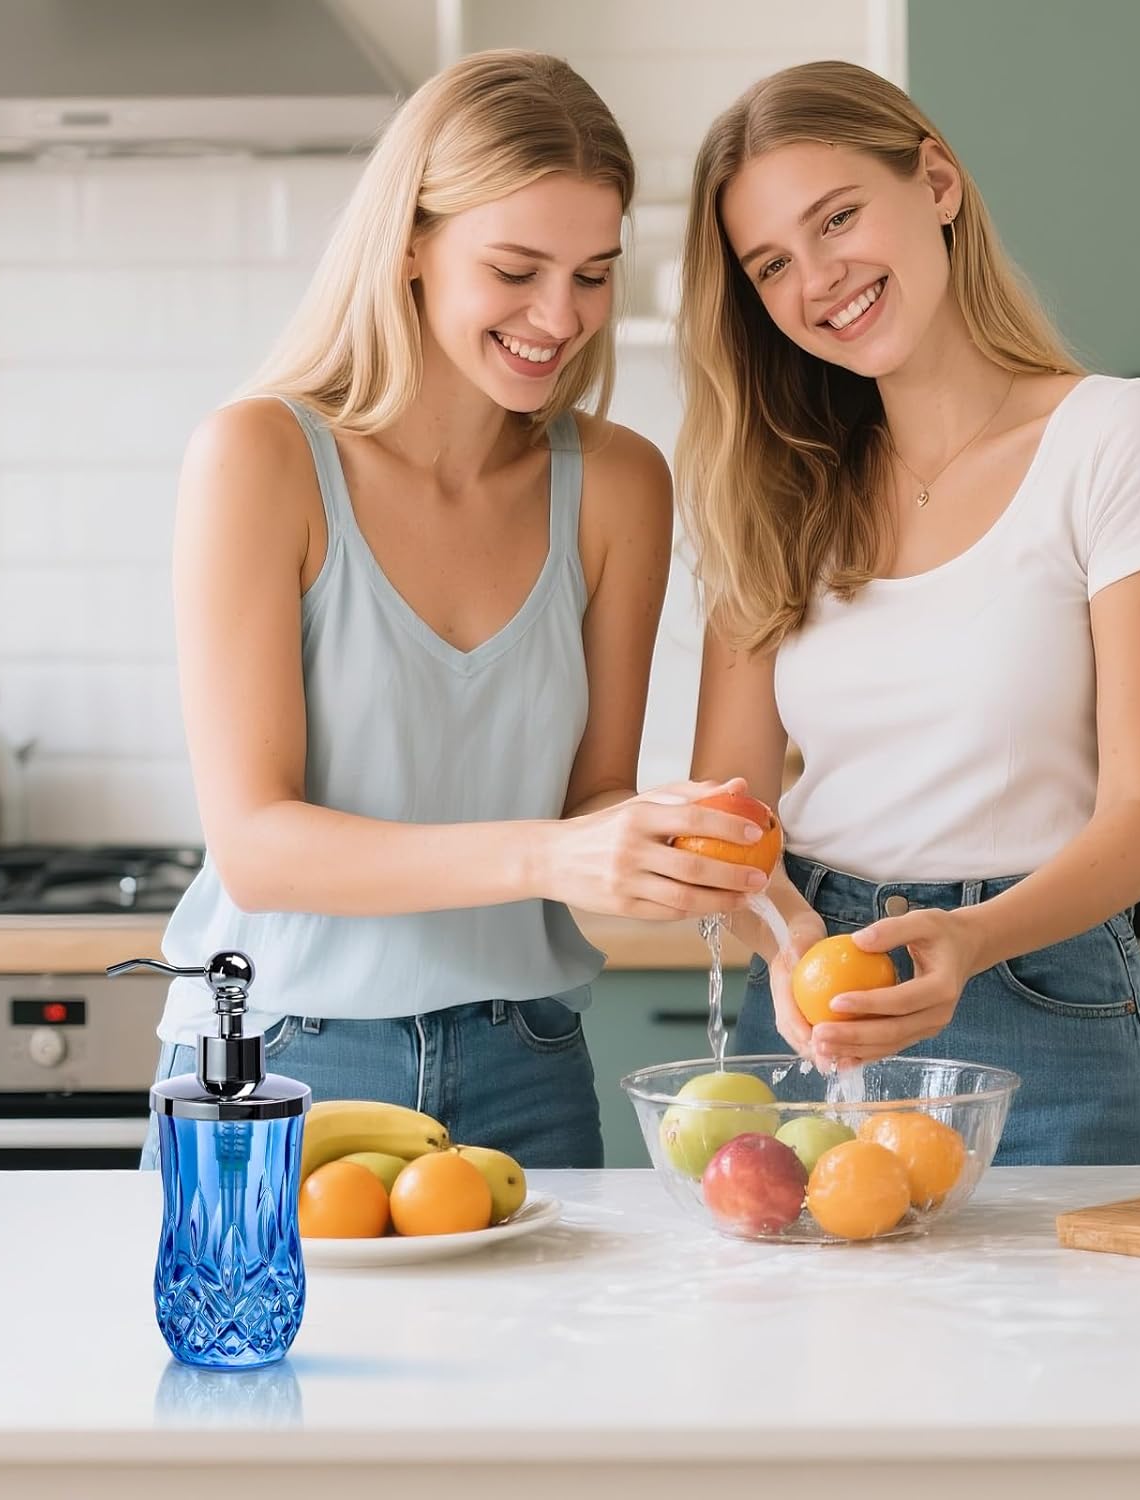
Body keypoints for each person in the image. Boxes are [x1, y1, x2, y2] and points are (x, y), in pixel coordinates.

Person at [140, 51, 770, 1172]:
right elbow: (258, 848)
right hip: (285, 1061)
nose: (559, 316)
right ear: (414, 247)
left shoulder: (617, 484)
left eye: (592, 273)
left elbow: (593, 797)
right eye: (517, 268)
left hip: (527, 1055)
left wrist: (664, 839)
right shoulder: (261, 459)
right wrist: (554, 855)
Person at [675, 61, 1140, 1165]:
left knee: (1054, 1339)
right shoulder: (775, 482)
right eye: (773, 263)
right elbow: (727, 819)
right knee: (806, 1342)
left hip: (1042, 990)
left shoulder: (1116, 437)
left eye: (838, 218)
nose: (820, 278)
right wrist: (787, 948)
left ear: (935, 182)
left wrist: (969, 940)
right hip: (817, 1000)